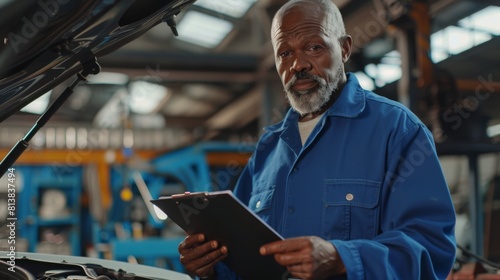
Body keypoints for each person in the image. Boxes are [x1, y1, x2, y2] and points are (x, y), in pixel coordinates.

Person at [178, 0, 456, 279]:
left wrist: (342, 258)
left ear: (345, 49)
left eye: (314, 47)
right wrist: (210, 266)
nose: (298, 64)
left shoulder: (397, 129)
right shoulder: (268, 148)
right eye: (284, 53)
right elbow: (244, 257)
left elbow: (431, 250)